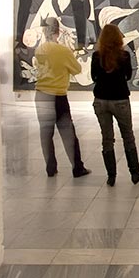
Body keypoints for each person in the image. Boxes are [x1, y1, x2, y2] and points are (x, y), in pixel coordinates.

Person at [91, 23, 139, 185]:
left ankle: (111, 176)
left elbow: (93, 77)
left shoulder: (97, 56)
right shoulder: (124, 55)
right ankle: (135, 172)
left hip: (101, 100)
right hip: (120, 99)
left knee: (107, 138)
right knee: (128, 136)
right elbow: (128, 76)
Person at [33, 17, 91, 178]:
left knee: (46, 133)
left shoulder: (40, 50)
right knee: (68, 133)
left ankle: (50, 168)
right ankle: (77, 167)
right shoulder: (63, 51)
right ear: (58, 31)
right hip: (58, 96)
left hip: (41, 95)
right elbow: (77, 69)